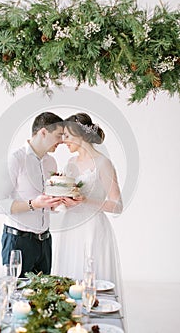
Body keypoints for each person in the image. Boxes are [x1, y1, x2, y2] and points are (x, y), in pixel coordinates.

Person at [52, 112, 124, 307]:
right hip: (71, 230)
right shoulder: (70, 164)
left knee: (92, 283)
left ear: (80, 135)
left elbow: (117, 206)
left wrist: (86, 200)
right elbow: (67, 195)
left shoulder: (103, 163)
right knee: (69, 285)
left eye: (67, 136)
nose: (63, 141)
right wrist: (59, 200)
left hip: (92, 229)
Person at [0, 112, 64, 277]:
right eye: (58, 136)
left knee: (44, 299)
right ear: (43, 132)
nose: (62, 141)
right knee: (16, 297)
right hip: (19, 242)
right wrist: (33, 204)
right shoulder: (14, 160)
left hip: (45, 242)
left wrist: (58, 202)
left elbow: (47, 201)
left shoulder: (51, 162)